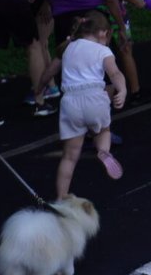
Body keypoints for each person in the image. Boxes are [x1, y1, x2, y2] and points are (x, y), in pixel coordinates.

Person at [37, 12, 126, 198]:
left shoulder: (68, 47)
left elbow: (48, 73)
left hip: (70, 103)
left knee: (69, 156)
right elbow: (115, 74)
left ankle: (61, 198)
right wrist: (122, 91)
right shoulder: (103, 51)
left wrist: (39, 88)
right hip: (95, 98)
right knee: (104, 130)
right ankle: (103, 151)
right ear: (103, 33)